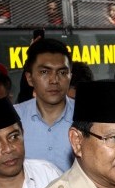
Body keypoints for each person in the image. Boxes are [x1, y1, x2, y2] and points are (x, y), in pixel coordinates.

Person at [14, 38, 74, 172]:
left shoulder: (86, 116)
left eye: (62, 72)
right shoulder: (13, 118)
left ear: (71, 76)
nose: (54, 80)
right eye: (44, 72)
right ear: (29, 78)